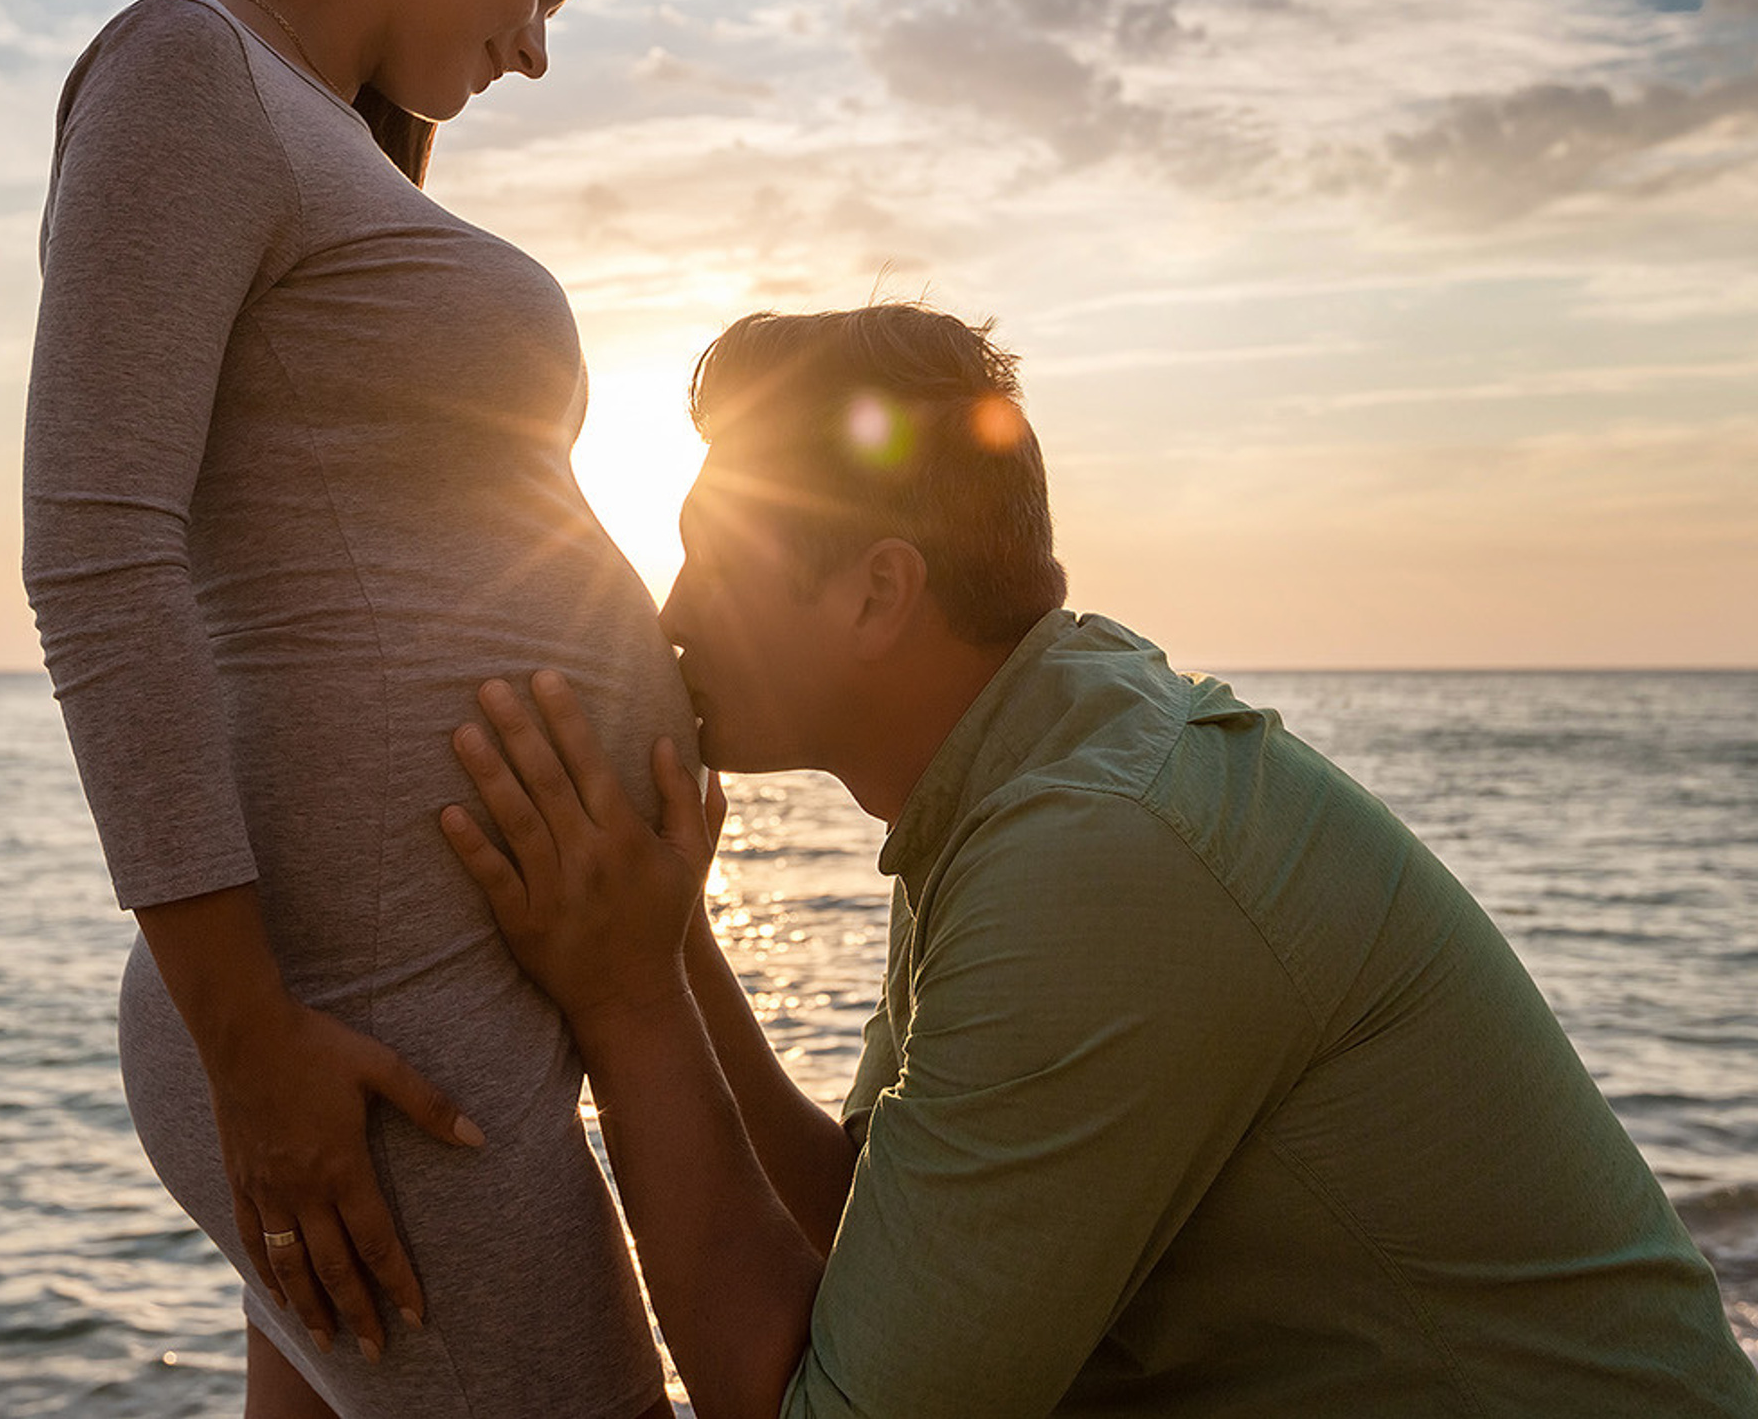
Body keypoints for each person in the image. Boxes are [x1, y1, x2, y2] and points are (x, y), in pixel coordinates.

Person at [441, 303, 1758, 1419]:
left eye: (715, 567)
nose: (668, 619)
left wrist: (624, 1001)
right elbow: (876, 1238)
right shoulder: (1032, 757)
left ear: (878, 596)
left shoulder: (1095, 854)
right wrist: (671, 945)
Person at [23, 0, 691, 1419]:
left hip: (437, 995)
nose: (538, 55)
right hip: (358, 1019)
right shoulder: (186, 66)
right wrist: (249, 1042)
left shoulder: (316, 139)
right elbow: (98, 551)